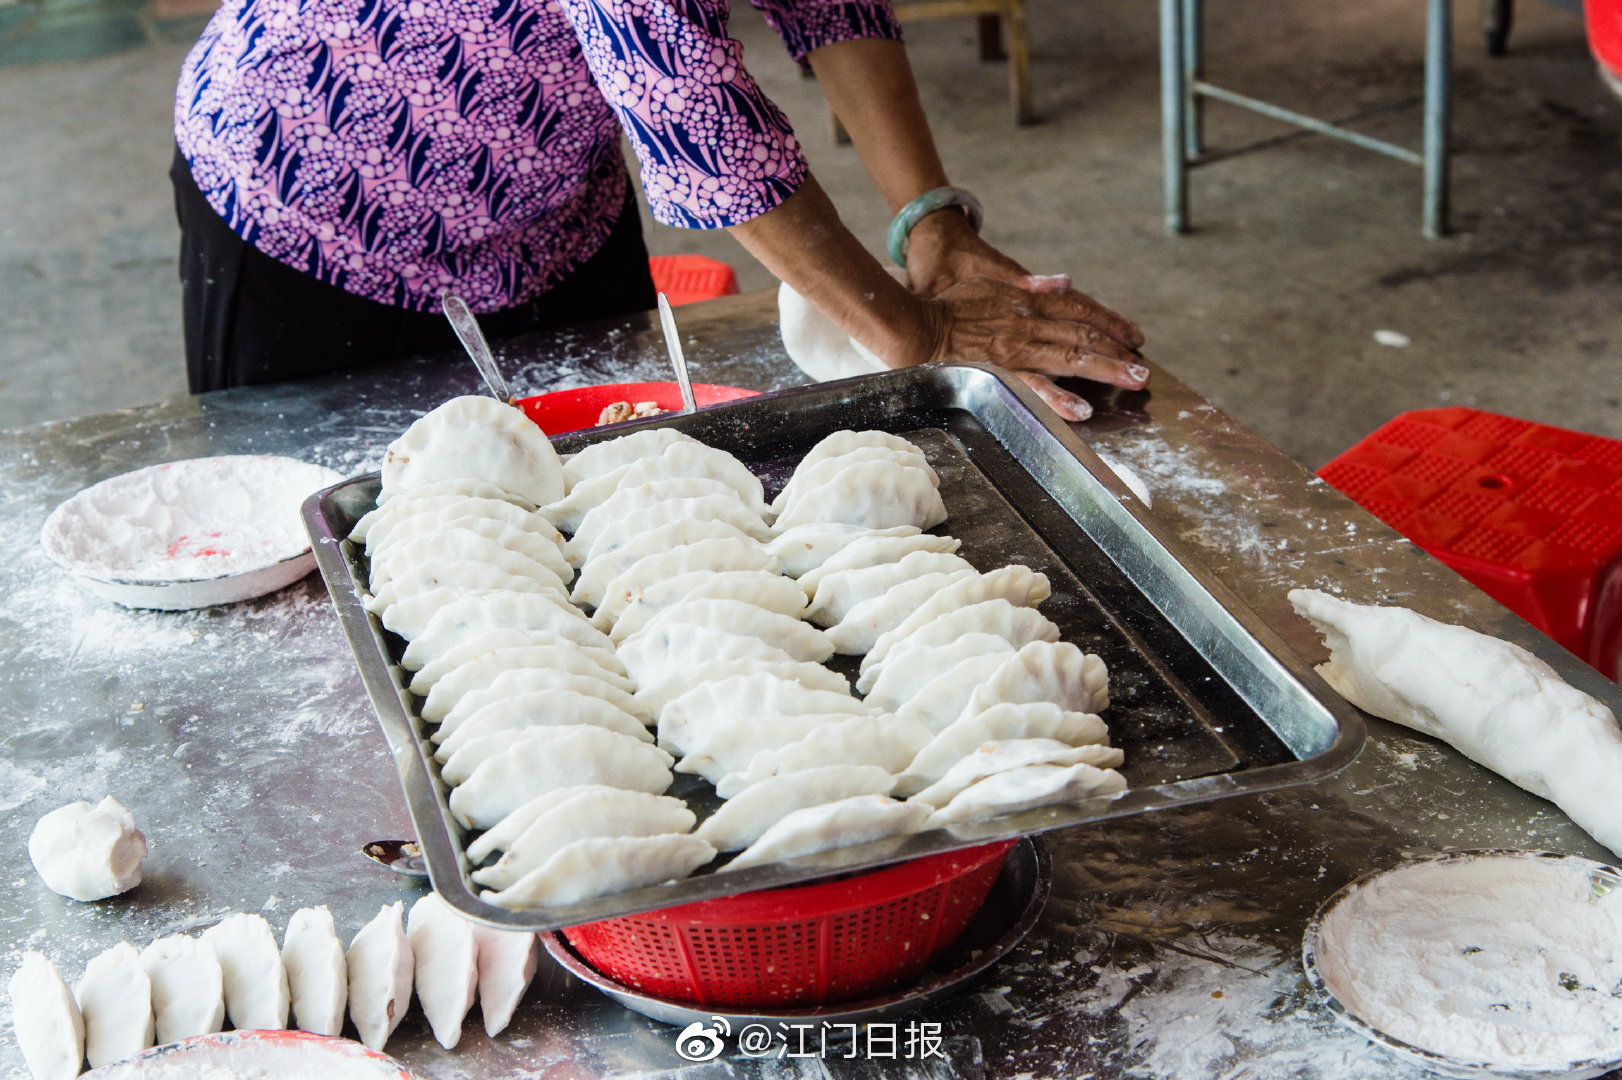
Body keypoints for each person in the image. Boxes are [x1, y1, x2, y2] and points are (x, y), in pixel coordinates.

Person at [172, 0, 1148, 420]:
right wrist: (913, 329)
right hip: (312, 195)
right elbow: (686, 103)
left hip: (550, 205)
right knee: (342, 556)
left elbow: (831, 6)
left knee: (610, 500)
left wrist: (930, 221)